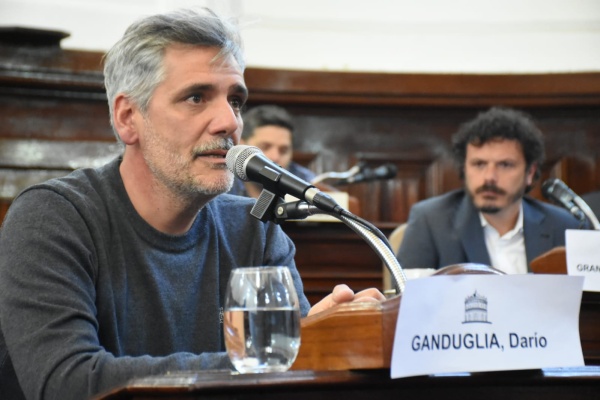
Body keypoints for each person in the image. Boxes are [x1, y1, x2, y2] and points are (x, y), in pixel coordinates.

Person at [0, 8, 384, 400]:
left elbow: (289, 376)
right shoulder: (52, 218)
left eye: (235, 100)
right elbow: (68, 384)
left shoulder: (256, 228)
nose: (229, 122)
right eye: (196, 97)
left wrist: (321, 342)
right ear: (128, 118)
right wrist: (269, 359)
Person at [396, 106, 587, 274]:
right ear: (464, 168)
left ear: (530, 172)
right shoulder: (431, 222)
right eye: (479, 164)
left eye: (505, 165)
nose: (489, 177)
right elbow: (406, 299)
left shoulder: (563, 227)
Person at [229, 104, 317, 198]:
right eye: (265, 147)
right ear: (241, 145)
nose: (275, 157)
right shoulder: (224, 183)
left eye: (283, 151)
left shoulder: (307, 183)